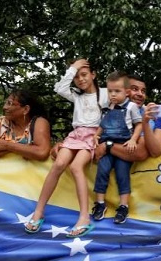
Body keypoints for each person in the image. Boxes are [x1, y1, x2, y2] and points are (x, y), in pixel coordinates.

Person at [25, 59, 108, 237]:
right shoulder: (76, 95)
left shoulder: (105, 94)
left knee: (76, 167)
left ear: (93, 75)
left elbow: (120, 108)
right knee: (58, 164)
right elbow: (60, 88)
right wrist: (73, 68)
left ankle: (84, 217)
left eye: (84, 74)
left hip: (93, 136)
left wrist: (104, 141)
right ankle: (38, 211)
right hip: (76, 134)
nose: (80, 79)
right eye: (77, 76)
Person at [91, 71, 143, 225]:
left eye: (117, 91)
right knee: (102, 171)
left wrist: (134, 139)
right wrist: (96, 136)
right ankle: (100, 203)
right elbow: (103, 125)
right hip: (106, 144)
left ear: (127, 92)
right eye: (110, 91)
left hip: (123, 145)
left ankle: (123, 206)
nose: (113, 94)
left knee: (122, 174)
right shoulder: (108, 107)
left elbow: (139, 124)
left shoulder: (132, 106)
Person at [0, 89, 51, 161]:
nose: (4, 107)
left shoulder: (39, 122)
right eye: (6, 103)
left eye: (10, 103)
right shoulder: (1, 122)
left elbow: (41, 152)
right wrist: (24, 149)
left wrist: (7, 145)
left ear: (25, 109)